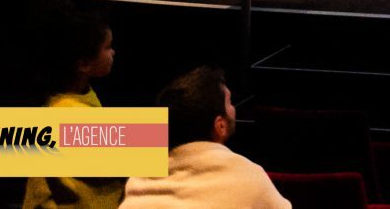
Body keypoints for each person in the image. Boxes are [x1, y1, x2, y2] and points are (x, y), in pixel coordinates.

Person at [122, 67, 288, 208]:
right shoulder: (250, 178)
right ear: (220, 125)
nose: (234, 108)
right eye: (230, 102)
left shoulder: (136, 183)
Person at [22, 8, 120, 209]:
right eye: (107, 47)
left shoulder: (77, 95)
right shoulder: (69, 114)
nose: (113, 52)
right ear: (83, 64)